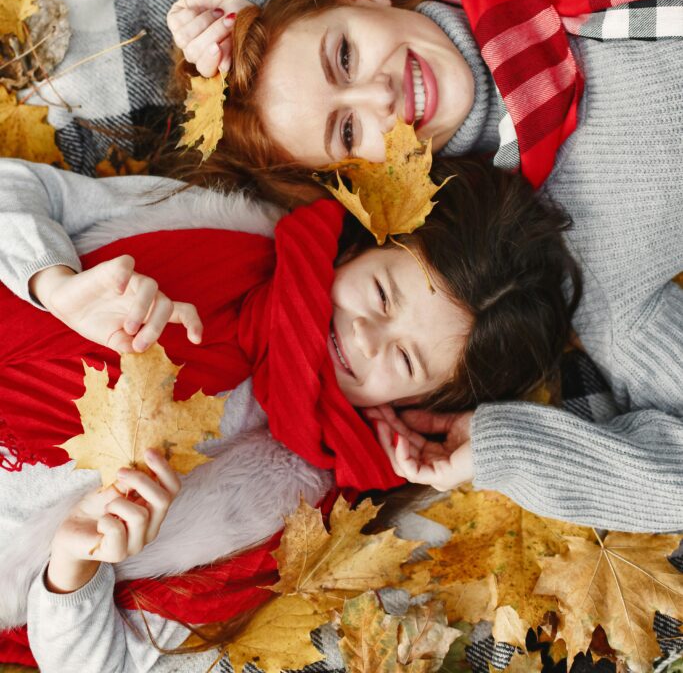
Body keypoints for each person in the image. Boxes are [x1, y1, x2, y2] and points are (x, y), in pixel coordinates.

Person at [166, 0, 683, 534]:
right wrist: (509, 453)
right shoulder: (591, 261)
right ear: (367, 181)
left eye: (342, 56)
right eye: (345, 134)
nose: (374, 96)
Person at [0, 153, 578, 672]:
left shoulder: (291, 519)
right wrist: (52, 282)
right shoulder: (218, 230)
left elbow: (108, 665)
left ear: (417, 404)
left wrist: (73, 567)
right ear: (357, 249)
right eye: (380, 294)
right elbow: (21, 187)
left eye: (403, 358)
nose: (365, 337)